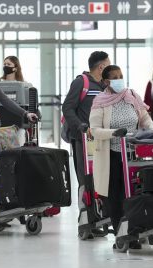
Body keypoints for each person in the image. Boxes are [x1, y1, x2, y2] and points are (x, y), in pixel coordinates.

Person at [90, 65, 153, 249]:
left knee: (134, 195)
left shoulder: (132, 95)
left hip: (133, 155)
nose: (120, 79)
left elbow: (144, 118)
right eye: (114, 77)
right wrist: (114, 132)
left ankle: (134, 234)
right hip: (111, 156)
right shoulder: (100, 101)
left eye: (121, 76)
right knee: (115, 197)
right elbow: (94, 130)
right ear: (105, 82)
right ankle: (121, 235)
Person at [62, 51, 110, 234]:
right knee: (85, 180)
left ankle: (96, 219)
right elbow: (67, 107)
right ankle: (85, 223)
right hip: (82, 140)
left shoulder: (104, 85)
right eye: (108, 64)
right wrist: (80, 126)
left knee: (99, 180)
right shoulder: (81, 82)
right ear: (101, 67)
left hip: (100, 140)